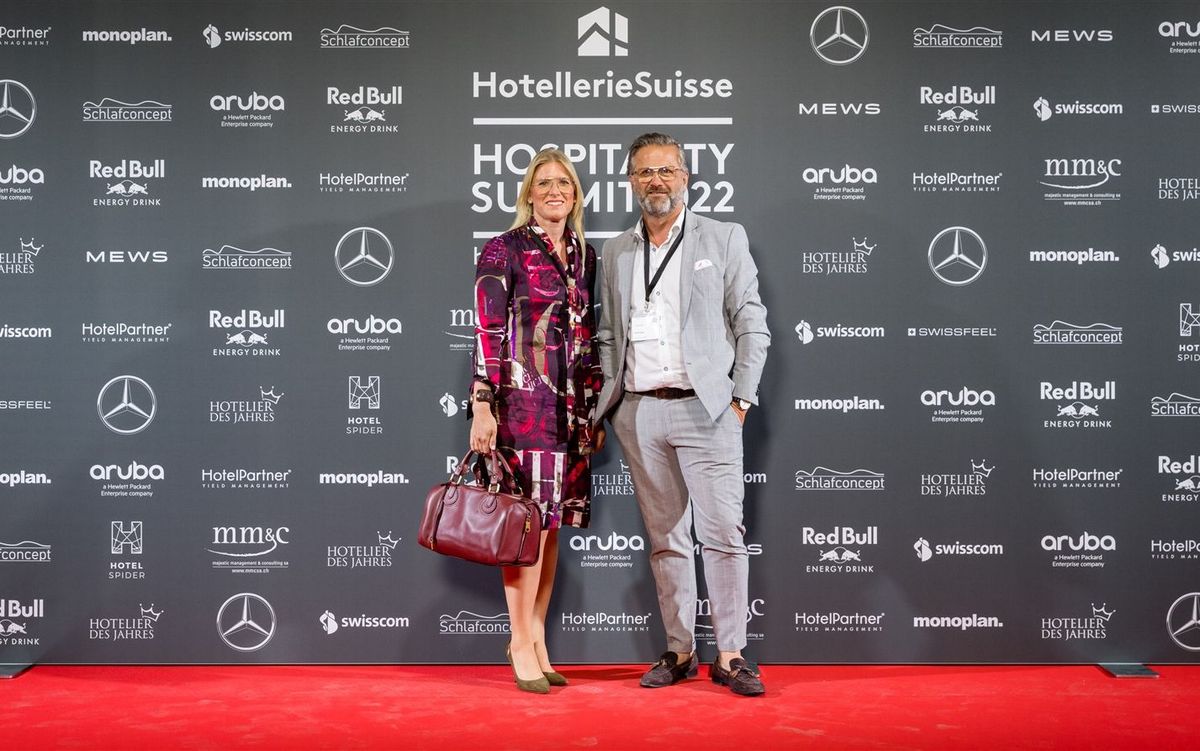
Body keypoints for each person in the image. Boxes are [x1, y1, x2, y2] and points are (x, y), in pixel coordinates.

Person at [595, 133, 770, 696]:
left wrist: (740, 399)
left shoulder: (722, 237)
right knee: (665, 538)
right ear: (631, 181)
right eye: (645, 172)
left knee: (722, 534)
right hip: (640, 412)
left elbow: (751, 322)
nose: (657, 181)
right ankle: (679, 650)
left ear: (686, 176)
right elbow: (608, 334)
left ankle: (732, 654)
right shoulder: (616, 251)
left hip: (707, 409)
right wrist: (612, 407)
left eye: (666, 170)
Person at [469, 148, 603, 694]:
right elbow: (487, 330)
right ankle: (518, 641)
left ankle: (538, 636)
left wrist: (593, 408)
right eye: (544, 183)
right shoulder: (504, 248)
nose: (554, 192)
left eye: (564, 184)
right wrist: (483, 402)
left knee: (551, 529)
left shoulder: (585, 255)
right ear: (528, 193)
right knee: (524, 526)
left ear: (575, 195)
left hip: (571, 413)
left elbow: (588, 335)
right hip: (521, 407)